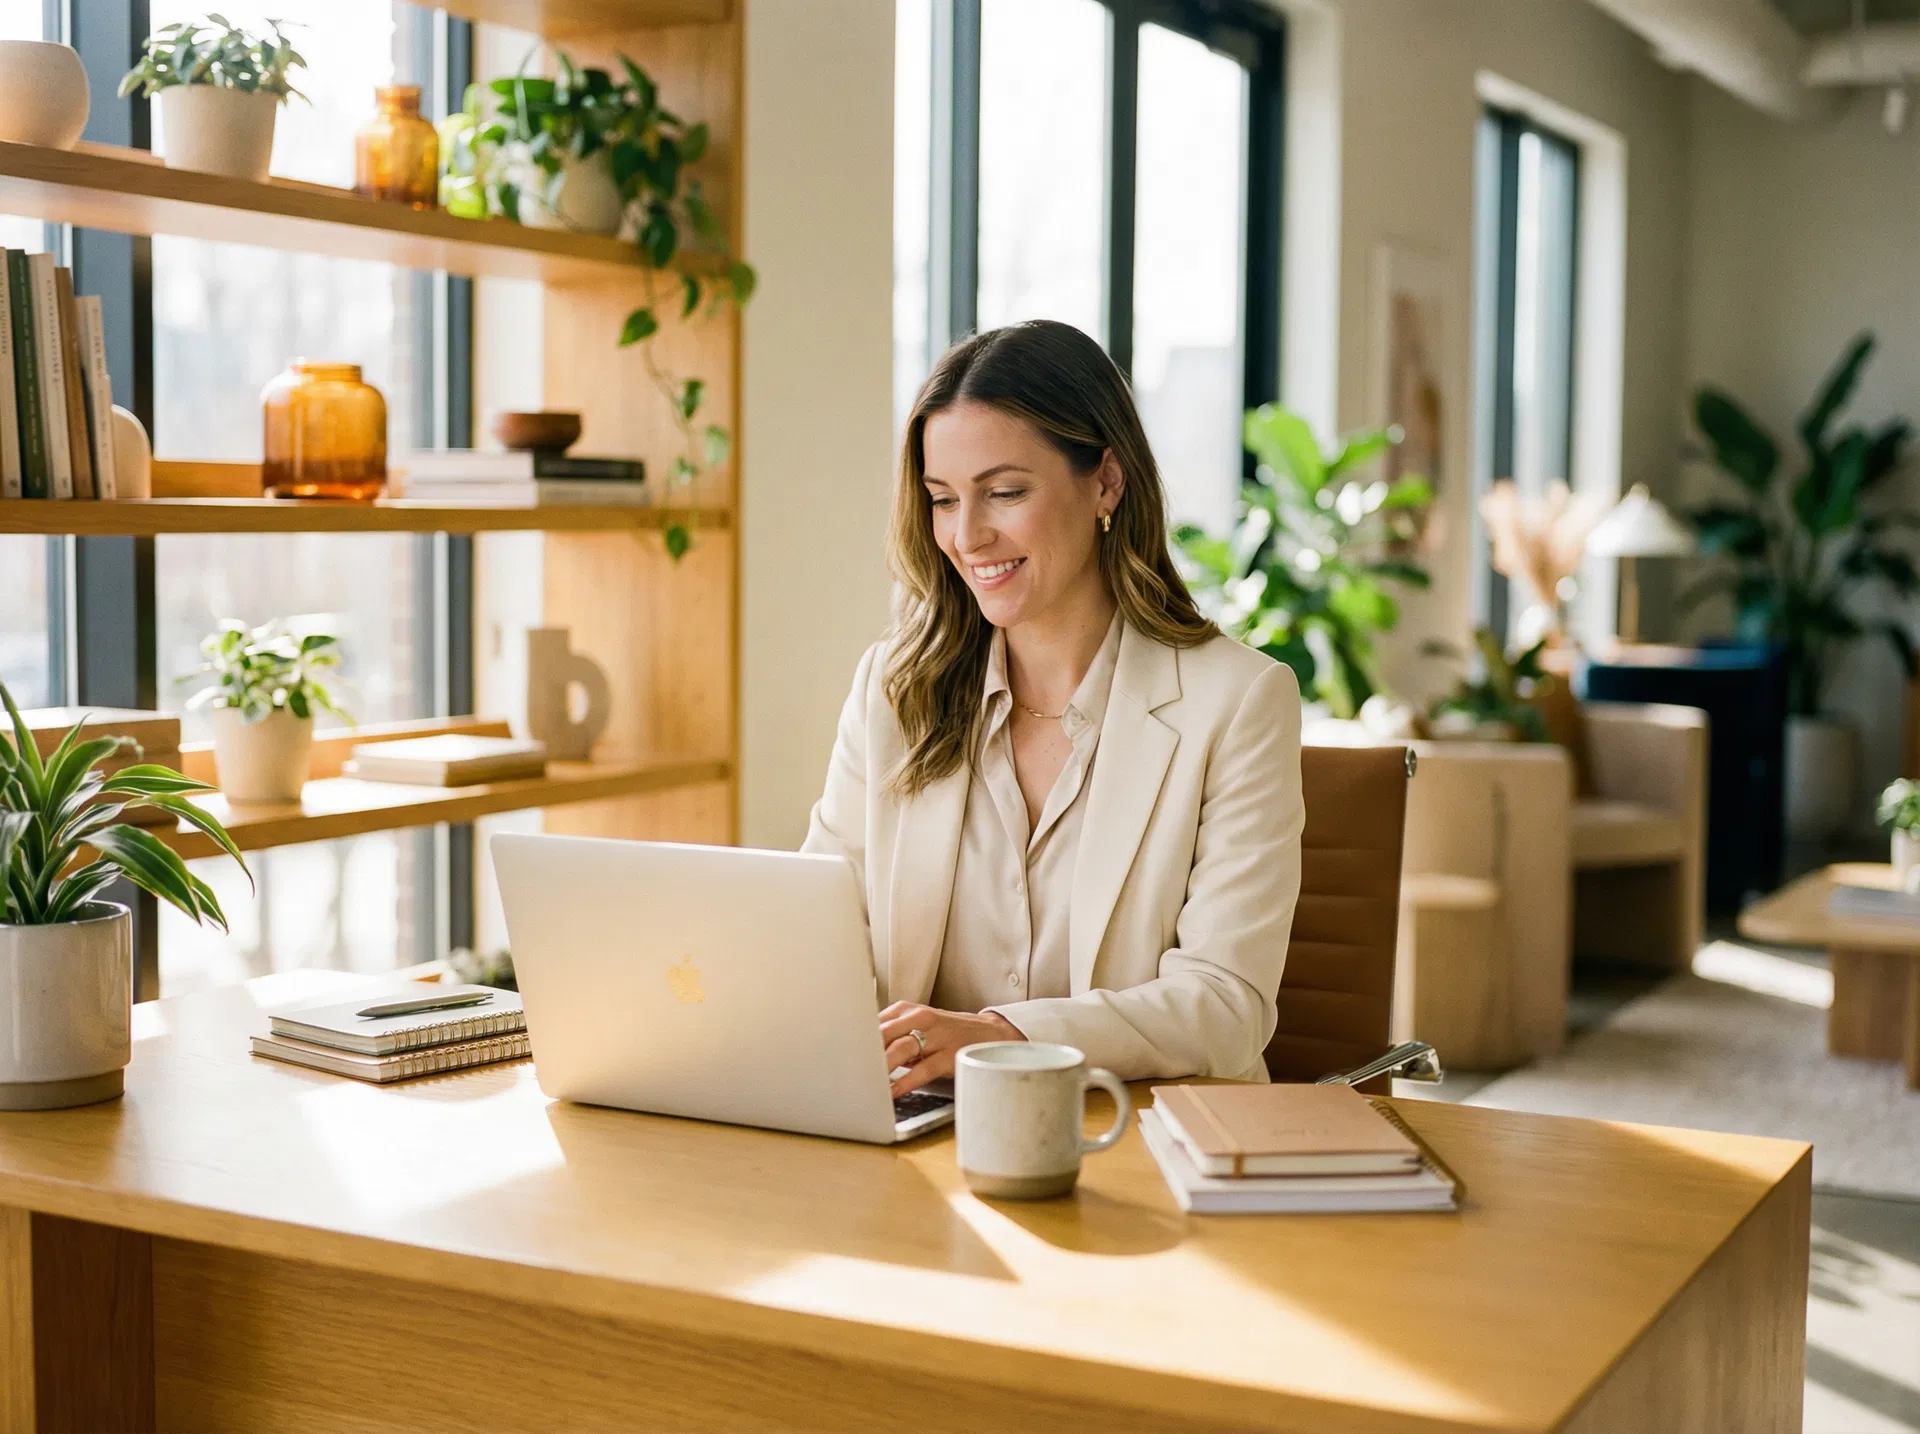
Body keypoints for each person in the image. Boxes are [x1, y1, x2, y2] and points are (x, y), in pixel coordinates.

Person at [804, 320, 1303, 1098]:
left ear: (1106, 481)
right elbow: (817, 935)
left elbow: (1225, 1002)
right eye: (942, 499)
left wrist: (1006, 1037)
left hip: (1140, 1139)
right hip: (925, 1134)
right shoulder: (895, 691)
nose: (968, 536)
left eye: (1004, 492)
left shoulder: (1237, 702)